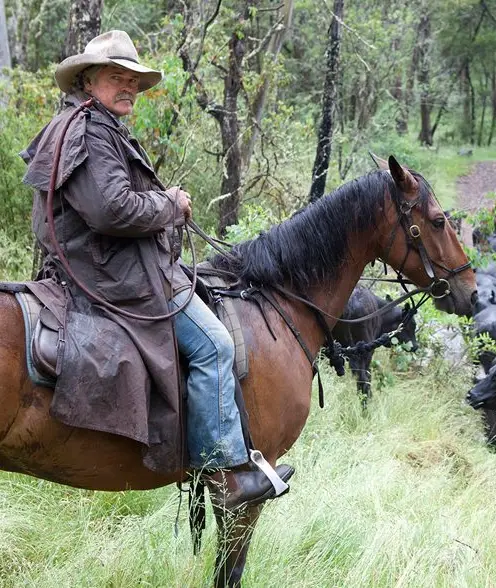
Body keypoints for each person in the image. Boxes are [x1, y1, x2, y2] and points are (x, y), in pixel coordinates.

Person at [21, 30, 292, 510]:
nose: (126, 87)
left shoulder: (87, 124)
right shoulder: (90, 130)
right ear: (88, 80)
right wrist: (170, 204)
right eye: (115, 77)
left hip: (95, 265)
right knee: (215, 344)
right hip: (115, 274)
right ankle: (225, 473)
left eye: (132, 79)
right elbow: (112, 210)